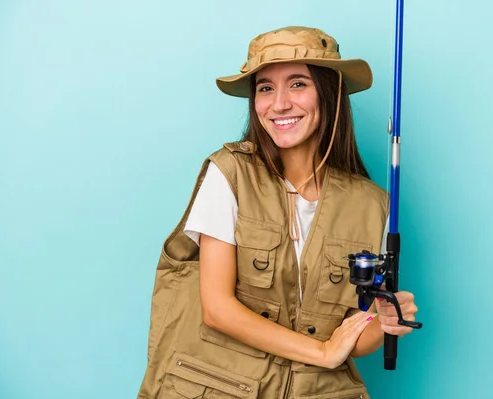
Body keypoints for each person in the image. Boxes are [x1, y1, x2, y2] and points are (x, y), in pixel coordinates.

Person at [138, 26, 418, 399]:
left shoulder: (373, 205)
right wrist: (321, 351)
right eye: (265, 88)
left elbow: (355, 331)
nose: (279, 104)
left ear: (330, 93)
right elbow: (217, 309)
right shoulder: (229, 173)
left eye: (298, 84)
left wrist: (382, 322)